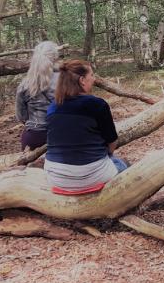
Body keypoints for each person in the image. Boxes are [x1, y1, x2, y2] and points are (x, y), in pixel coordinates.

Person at [44, 60, 128, 190]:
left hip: (56, 177)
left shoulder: (52, 108)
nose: (94, 79)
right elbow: (112, 142)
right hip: (92, 175)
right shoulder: (97, 105)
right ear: (82, 80)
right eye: (92, 75)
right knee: (123, 165)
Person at [16, 41, 60, 150]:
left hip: (33, 137)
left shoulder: (24, 84)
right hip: (61, 134)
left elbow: (22, 117)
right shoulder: (64, 80)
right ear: (55, 58)